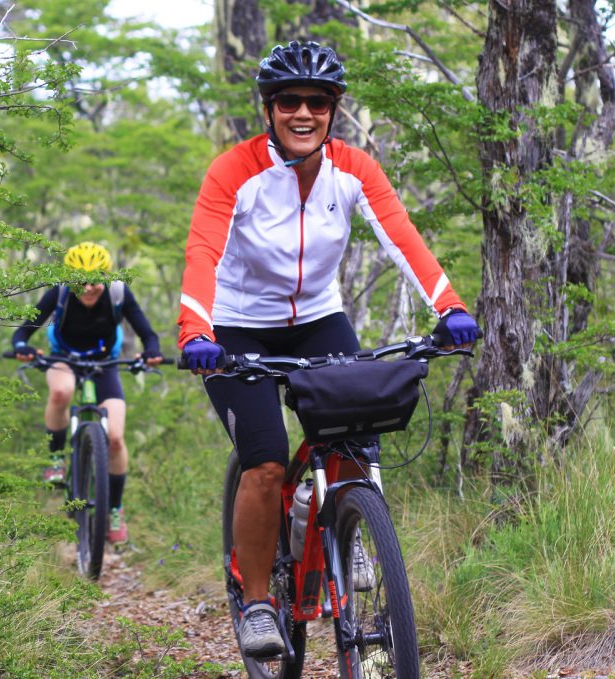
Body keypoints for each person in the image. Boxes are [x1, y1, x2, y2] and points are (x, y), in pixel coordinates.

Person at [177, 41, 479, 658]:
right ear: (269, 108)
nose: (303, 113)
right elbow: (204, 251)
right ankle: (259, 601)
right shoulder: (234, 171)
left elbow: (403, 238)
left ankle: (349, 526)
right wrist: (196, 331)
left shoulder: (354, 170)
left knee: (357, 431)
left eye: (318, 101)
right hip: (237, 328)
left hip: (318, 318)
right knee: (263, 461)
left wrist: (449, 306)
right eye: (290, 100)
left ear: (334, 109)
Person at [13, 242, 164, 543]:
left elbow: (148, 334)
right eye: (80, 281)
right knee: (61, 392)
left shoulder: (118, 293)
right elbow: (22, 332)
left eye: (96, 281)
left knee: (117, 437)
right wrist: (22, 348)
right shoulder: (58, 294)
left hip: (105, 363)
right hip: (64, 359)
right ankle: (56, 460)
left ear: (106, 278)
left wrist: (151, 352)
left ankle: (115, 510)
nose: (89, 288)